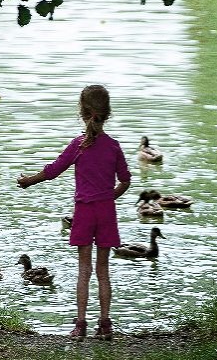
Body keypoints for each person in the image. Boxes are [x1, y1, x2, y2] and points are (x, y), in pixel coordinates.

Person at [17, 85, 131, 341]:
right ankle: (105, 324)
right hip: (106, 213)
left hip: (84, 213)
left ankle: (80, 325)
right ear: (107, 113)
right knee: (103, 272)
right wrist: (107, 198)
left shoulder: (78, 145)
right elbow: (125, 181)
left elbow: (54, 170)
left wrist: (28, 181)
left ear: (82, 112)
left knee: (84, 271)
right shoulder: (114, 147)